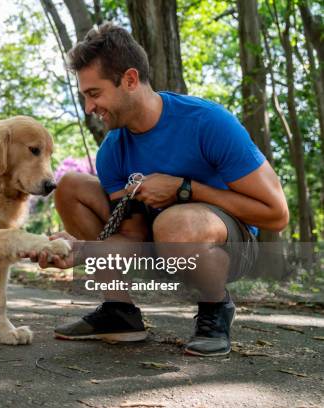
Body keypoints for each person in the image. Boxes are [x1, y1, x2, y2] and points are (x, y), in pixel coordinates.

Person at [28, 23, 288, 357]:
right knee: (70, 187)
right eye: (85, 97)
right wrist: (82, 251)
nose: (89, 108)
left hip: (227, 246)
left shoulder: (208, 122)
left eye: (94, 94)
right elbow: (134, 237)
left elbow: (276, 215)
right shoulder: (113, 150)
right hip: (159, 243)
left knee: (176, 225)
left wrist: (185, 189)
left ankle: (216, 308)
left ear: (131, 80)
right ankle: (119, 312)